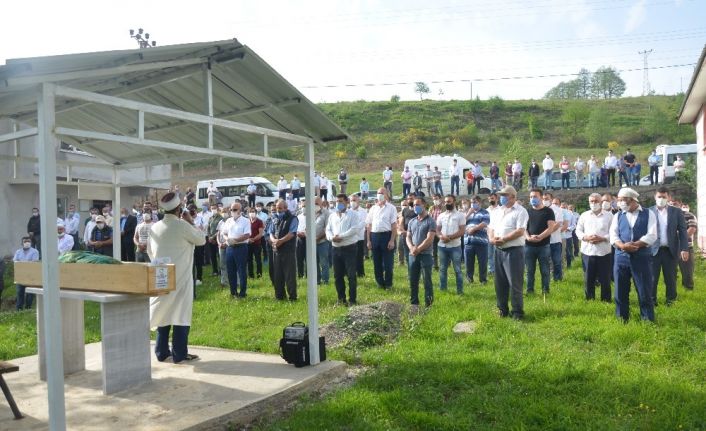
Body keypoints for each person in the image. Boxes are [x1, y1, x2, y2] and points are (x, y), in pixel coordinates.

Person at [148, 192, 206, 363]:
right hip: (182, 277)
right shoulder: (182, 225)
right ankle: (179, 354)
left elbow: (150, 252)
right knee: (181, 314)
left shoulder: (155, 227)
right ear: (179, 208)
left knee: (163, 312)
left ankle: (161, 352)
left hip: (162, 275)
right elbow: (201, 239)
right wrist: (191, 221)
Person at [610, 187, 657, 322]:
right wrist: (623, 246)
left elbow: (652, 235)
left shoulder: (648, 214)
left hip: (641, 257)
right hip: (621, 257)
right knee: (620, 290)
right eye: (619, 200)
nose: (619, 203)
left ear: (631, 200)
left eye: (622, 200)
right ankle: (622, 318)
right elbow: (613, 235)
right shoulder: (618, 215)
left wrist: (635, 245)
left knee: (644, 290)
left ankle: (647, 319)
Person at [488, 186, 529, 320]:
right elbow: (491, 228)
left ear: (512, 196)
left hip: (513, 251)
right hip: (498, 250)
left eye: (504, 195)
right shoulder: (498, 211)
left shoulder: (520, 211)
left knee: (514, 283)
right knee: (499, 282)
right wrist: (492, 239)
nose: (502, 197)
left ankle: (517, 312)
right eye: (501, 195)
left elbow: (520, 231)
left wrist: (504, 239)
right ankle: (502, 309)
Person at [650, 187, 688, 306]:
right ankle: (652, 301)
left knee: (670, 278)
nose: (661, 199)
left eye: (664, 197)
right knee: (652, 278)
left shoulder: (676, 212)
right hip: (653, 251)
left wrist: (684, 248)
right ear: (655, 197)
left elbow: (682, 231)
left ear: (668, 198)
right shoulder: (648, 212)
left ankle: (670, 301)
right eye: (659, 197)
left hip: (670, 251)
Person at [576, 193, 613, 301]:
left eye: (596, 201)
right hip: (588, 251)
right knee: (588, 277)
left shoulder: (609, 216)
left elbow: (614, 232)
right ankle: (589, 298)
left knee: (605, 278)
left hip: (604, 251)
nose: (593, 203)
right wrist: (586, 237)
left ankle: (606, 299)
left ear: (601, 202)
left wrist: (602, 238)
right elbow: (578, 230)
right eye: (591, 201)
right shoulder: (584, 215)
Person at [327, 194, 360, 305]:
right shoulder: (332, 216)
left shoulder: (353, 214)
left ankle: (352, 300)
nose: (338, 204)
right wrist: (332, 238)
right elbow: (328, 229)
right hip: (335, 249)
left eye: (341, 201)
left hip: (349, 248)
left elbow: (354, 229)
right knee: (337, 275)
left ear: (347, 202)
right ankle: (341, 299)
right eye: (337, 201)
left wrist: (341, 237)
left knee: (351, 275)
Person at [407, 197, 436, 309]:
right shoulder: (412, 221)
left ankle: (429, 305)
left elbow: (429, 239)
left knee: (427, 281)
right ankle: (414, 303)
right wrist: (411, 248)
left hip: (425, 255)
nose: (415, 207)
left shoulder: (430, 221)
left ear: (424, 205)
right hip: (413, 255)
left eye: (417, 205)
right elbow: (408, 236)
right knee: (413, 280)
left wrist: (418, 249)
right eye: (414, 205)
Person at [524, 189, 555, 295]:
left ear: (541, 197)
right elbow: (523, 228)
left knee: (545, 270)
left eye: (535, 196)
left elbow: (550, 228)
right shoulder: (527, 212)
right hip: (529, 246)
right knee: (529, 271)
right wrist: (528, 237)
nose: (533, 199)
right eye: (531, 197)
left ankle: (545, 290)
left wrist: (540, 237)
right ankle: (529, 291)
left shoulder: (548, 211)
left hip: (543, 246)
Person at [366, 188, 397, 289]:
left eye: (382, 193)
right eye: (378, 193)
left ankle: (388, 284)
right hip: (374, 236)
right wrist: (368, 240)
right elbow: (369, 225)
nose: (379, 195)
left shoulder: (391, 208)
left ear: (386, 195)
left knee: (388, 263)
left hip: (386, 236)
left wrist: (392, 240)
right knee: (376, 262)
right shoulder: (373, 208)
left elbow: (394, 225)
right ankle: (380, 283)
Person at [269, 199, 299, 300]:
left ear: (286, 208)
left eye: (280, 208)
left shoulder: (293, 218)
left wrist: (280, 241)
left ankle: (292, 297)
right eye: (277, 208)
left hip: (288, 251)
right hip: (277, 251)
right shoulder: (274, 218)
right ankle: (279, 296)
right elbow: (271, 232)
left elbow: (292, 233)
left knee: (289, 275)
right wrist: (274, 241)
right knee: (277, 275)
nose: (278, 210)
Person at [436, 195, 466, 294]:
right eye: (445, 202)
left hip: (455, 247)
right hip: (442, 246)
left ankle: (460, 291)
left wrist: (449, 238)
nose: (447, 204)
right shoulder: (441, 215)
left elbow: (462, 231)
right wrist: (441, 237)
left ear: (454, 202)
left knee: (457, 270)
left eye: (449, 202)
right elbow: (437, 230)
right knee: (442, 269)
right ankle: (443, 290)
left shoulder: (460, 215)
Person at [223, 202, 251, 298]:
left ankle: (243, 292)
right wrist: (227, 239)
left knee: (241, 270)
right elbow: (224, 233)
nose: (232, 212)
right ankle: (233, 292)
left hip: (241, 247)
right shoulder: (228, 221)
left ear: (240, 210)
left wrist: (235, 240)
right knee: (230, 271)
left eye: (234, 210)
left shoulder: (246, 221)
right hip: (230, 248)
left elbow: (247, 235)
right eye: (231, 210)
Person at [464, 195, 490, 285]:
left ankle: (483, 280)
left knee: (482, 262)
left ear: (479, 203)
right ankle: (469, 279)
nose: (472, 204)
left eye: (474, 202)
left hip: (481, 242)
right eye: (471, 202)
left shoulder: (485, 212)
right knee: (468, 262)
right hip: (468, 242)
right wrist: (468, 214)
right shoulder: (468, 214)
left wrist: (473, 229)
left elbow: (484, 223)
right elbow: (461, 223)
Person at [543, 193, 566, 281]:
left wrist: (546, 233)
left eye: (547, 198)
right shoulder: (541, 209)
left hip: (555, 240)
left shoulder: (557, 210)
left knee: (556, 261)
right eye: (543, 198)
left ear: (551, 199)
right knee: (546, 262)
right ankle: (547, 278)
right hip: (544, 241)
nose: (545, 200)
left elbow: (558, 224)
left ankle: (558, 278)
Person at [13, 236, 39, 310]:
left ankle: (28, 308)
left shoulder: (35, 251)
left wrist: (22, 264)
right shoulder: (18, 252)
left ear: (31, 242)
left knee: (30, 293)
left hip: (31, 275)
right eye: (25, 241)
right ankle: (19, 308)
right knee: (19, 292)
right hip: (20, 275)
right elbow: (15, 261)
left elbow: (34, 262)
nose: (27, 243)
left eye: (28, 241)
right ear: (22, 243)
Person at [678, 202, 697, 290]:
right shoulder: (667, 216)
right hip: (670, 247)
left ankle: (688, 288)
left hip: (686, 246)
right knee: (672, 271)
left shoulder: (689, 215)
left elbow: (692, 229)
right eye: (670, 203)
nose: (672, 205)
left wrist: (678, 238)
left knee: (687, 269)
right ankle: (675, 288)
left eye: (674, 203)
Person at [314, 197, 331, 284]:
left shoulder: (326, 213)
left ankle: (325, 280)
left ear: (321, 204)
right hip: (311, 244)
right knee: (314, 262)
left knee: (324, 262)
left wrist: (317, 238)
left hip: (322, 242)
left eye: (317, 204)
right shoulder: (310, 212)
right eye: (313, 203)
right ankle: (317, 280)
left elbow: (327, 228)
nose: (315, 205)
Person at [350, 195, 367, 277]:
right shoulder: (348, 211)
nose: (352, 202)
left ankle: (360, 273)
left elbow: (363, 223)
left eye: (354, 200)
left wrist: (353, 230)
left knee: (359, 256)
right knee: (350, 256)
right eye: (351, 200)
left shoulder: (363, 211)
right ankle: (351, 272)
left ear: (358, 201)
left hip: (359, 237)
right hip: (349, 238)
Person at [397, 194, 417, 266]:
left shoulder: (417, 210)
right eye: (408, 199)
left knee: (414, 254)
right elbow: (402, 221)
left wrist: (408, 232)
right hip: (405, 235)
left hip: (414, 235)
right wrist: (402, 230)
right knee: (407, 254)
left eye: (411, 199)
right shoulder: (405, 210)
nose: (409, 200)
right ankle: (410, 271)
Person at [190, 204, 207, 287]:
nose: (193, 213)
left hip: (199, 243)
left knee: (198, 261)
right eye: (191, 211)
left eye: (193, 210)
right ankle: (191, 277)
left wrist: (197, 227)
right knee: (190, 261)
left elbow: (203, 228)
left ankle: (199, 278)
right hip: (190, 243)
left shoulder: (201, 218)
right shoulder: (187, 219)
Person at [247, 207, 264, 279]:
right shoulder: (247, 221)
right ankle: (251, 275)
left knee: (258, 260)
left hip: (257, 244)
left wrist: (253, 239)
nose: (252, 213)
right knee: (249, 260)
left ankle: (259, 275)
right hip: (248, 244)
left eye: (253, 212)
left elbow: (260, 234)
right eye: (250, 212)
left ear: (256, 213)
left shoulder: (259, 221)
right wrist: (248, 239)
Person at [486, 193, 500, 276]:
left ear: (496, 199)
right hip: (488, 234)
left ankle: (497, 269)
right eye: (490, 199)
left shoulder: (501, 209)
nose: (491, 200)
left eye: (492, 198)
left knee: (497, 253)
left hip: (497, 234)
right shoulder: (486, 210)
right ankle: (491, 269)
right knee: (489, 253)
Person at [207, 204, 222, 276]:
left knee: (219, 256)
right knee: (212, 256)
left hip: (218, 239)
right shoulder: (210, 218)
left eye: (214, 208)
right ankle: (214, 270)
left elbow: (220, 229)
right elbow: (208, 228)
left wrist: (213, 237)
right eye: (212, 208)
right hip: (210, 240)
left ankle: (221, 270)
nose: (213, 209)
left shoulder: (220, 218)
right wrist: (209, 237)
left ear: (217, 209)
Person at [296, 200, 308, 278]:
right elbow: (295, 228)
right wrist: (298, 233)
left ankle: (308, 275)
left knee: (308, 258)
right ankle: (300, 275)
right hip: (299, 239)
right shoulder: (298, 217)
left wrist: (306, 233)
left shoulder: (312, 216)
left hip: (308, 240)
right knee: (299, 258)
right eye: (303, 206)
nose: (304, 208)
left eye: (305, 206)